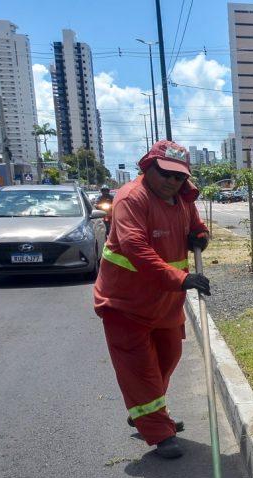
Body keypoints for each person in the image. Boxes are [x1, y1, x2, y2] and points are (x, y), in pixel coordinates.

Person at [93, 140, 211, 459]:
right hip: (125, 303)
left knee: (167, 358)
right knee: (140, 369)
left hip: (165, 303)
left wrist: (201, 237)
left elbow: (196, 227)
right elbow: (137, 250)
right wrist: (182, 279)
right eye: (165, 173)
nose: (172, 181)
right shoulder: (132, 198)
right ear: (148, 167)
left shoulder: (183, 198)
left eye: (179, 176)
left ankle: (144, 410)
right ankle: (159, 431)